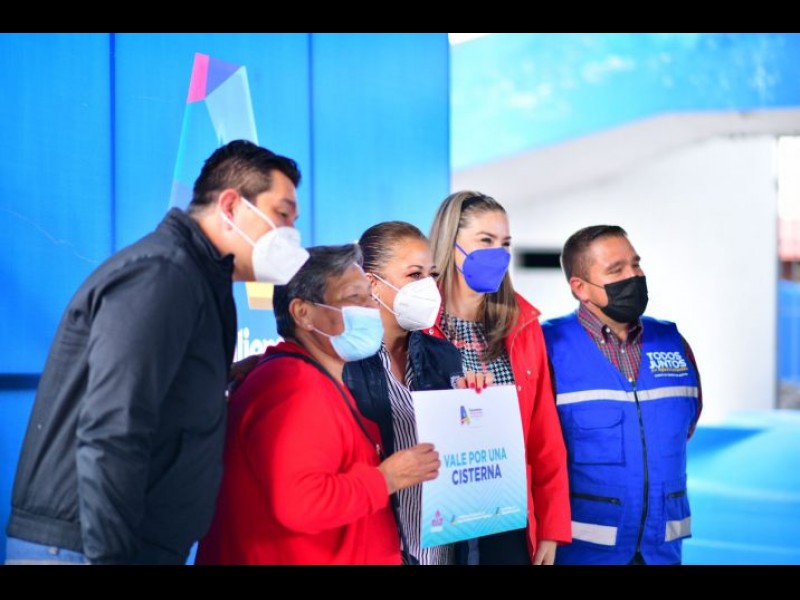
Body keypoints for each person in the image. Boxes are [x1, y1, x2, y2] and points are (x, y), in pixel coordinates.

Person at [5, 139, 310, 565]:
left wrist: (218, 379)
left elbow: (152, 388)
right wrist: (113, 556)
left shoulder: (202, 279)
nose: (291, 233)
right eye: (281, 214)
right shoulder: (164, 273)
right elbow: (114, 425)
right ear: (230, 205)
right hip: (84, 547)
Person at [194, 243, 441, 565]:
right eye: (354, 297)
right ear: (303, 313)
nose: (371, 308)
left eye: (370, 296)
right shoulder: (294, 386)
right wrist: (386, 479)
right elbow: (299, 503)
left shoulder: (307, 377)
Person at [541, 225, 702, 565]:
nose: (633, 276)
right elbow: (535, 450)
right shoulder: (548, 347)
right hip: (583, 552)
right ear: (581, 288)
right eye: (616, 270)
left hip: (661, 549)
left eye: (635, 264)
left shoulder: (673, 342)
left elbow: (688, 422)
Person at [426, 191, 572, 565]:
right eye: (485, 240)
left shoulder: (522, 323)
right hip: (436, 516)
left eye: (505, 243)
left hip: (507, 514)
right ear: (451, 243)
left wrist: (551, 528)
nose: (499, 253)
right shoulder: (418, 322)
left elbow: (544, 435)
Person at [343, 221, 489, 565]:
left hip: (441, 549)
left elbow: (462, 460)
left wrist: (476, 408)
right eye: (414, 275)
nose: (429, 286)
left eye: (431, 275)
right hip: (374, 549)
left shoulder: (445, 356)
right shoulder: (343, 359)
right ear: (371, 283)